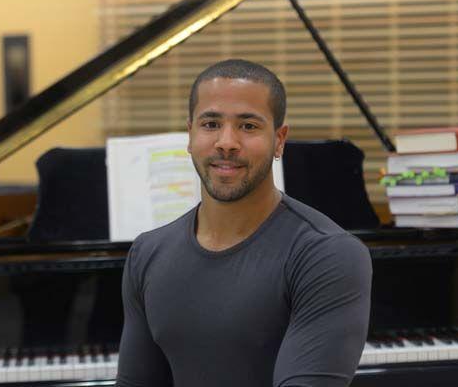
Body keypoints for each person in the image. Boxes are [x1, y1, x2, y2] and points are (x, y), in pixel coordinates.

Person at [116, 59, 372, 387]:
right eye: (210, 124)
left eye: (248, 126)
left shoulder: (328, 255)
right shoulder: (146, 253)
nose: (226, 142)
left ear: (279, 140)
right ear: (190, 134)